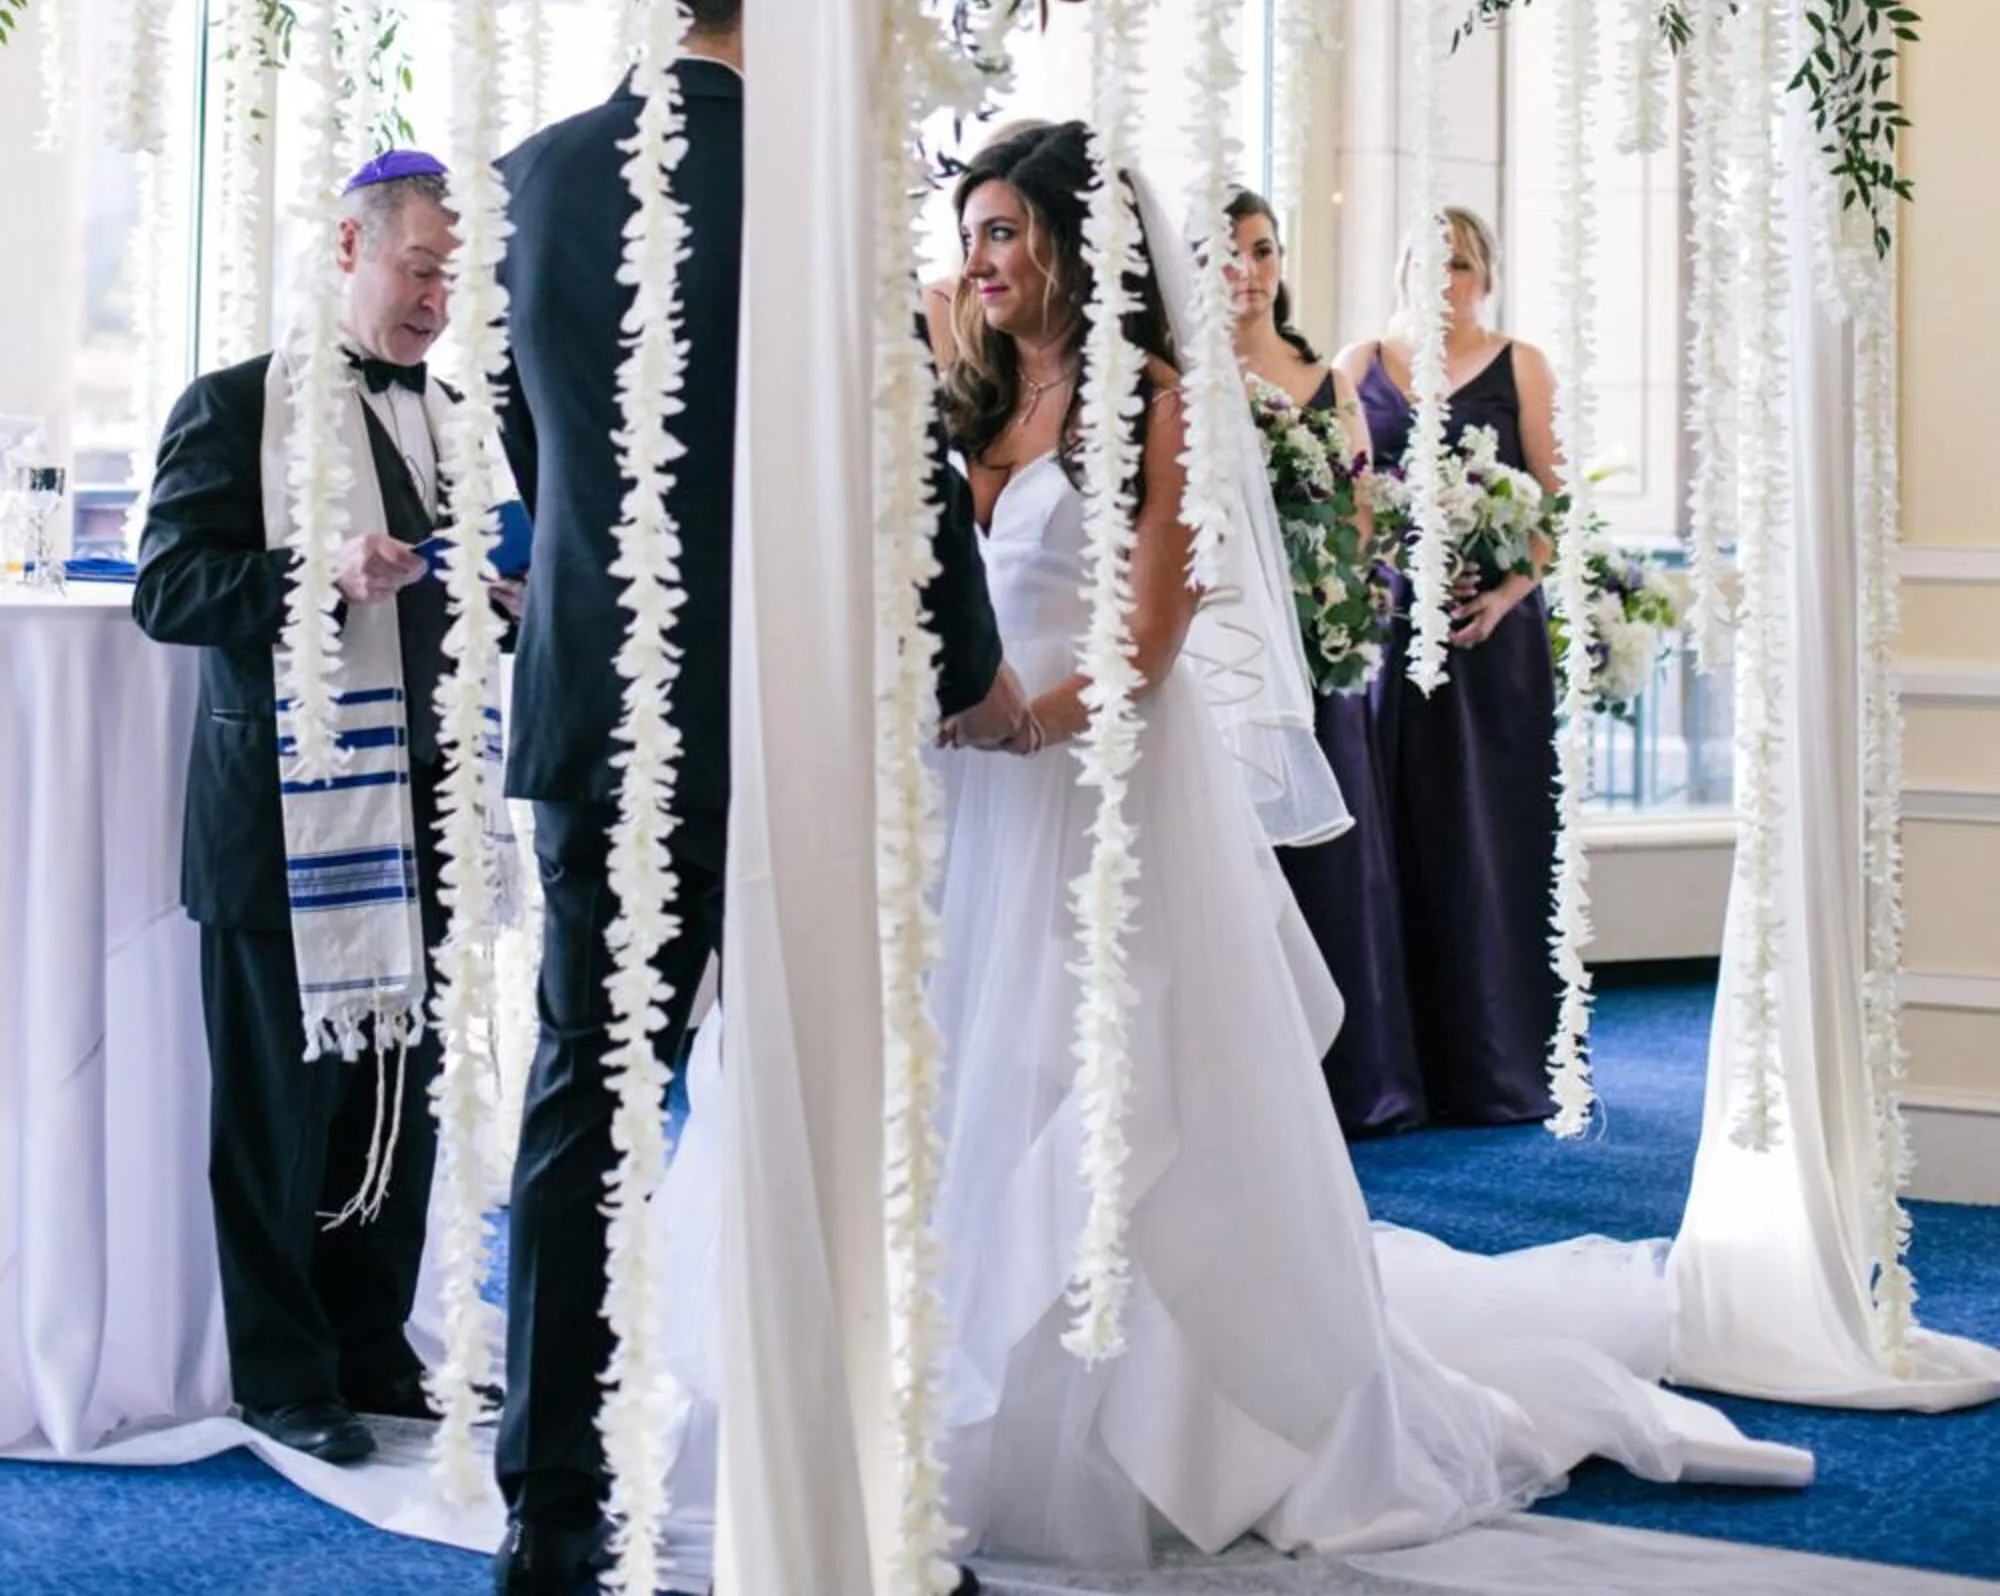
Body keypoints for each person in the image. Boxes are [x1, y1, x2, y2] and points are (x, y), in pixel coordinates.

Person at [643, 118, 1806, 1570]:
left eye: (1005, 232)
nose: (978, 261)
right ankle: (912, 1400)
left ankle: (1141, 1423)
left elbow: (1152, 639)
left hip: (1095, 796)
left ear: (1077, 245)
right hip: (954, 809)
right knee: (943, 1094)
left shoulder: (1164, 409)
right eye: (970, 236)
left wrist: (1021, 721)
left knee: (1101, 1091)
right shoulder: (963, 387)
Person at [491, 0, 1026, 1596]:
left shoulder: (536, 188)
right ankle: (850, 1499)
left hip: (599, 698)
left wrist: (598, 578)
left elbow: (533, 447)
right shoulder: (812, 185)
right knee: (825, 1105)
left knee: (589, 1089)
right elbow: (898, 458)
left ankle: (550, 1507)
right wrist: (965, 664)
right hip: (788, 714)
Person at [134, 151, 464, 1468]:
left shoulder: (456, 420)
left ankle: (375, 1344)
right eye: (419, 265)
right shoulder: (232, 409)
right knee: (282, 1116)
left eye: (454, 275)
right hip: (282, 827)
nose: (438, 298)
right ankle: (284, 1373)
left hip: (422, 814)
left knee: (402, 1099)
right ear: (347, 249)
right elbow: (171, 590)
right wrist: (316, 571)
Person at [1335, 206, 1563, 1125]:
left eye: (1461, 264)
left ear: (1487, 275)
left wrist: (1507, 596)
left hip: (1490, 644)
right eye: (1425, 263)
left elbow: (1556, 500)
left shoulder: (1522, 365)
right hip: (1389, 640)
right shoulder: (1360, 365)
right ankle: (1396, 1071)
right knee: (1393, 841)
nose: (1443, 281)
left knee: (1484, 842)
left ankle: (1493, 1064)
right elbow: (1341, 497)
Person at [1226, 187, 1426, 1139]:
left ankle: (1353, 1077)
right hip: (1225, 649)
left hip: (1315, 639)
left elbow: (1357, 515)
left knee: (1332, 859)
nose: (1250, 274)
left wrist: (1335, 607)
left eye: (1264, 253)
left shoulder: (1321, 378)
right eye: (1229, 256)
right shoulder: (1181, 375)